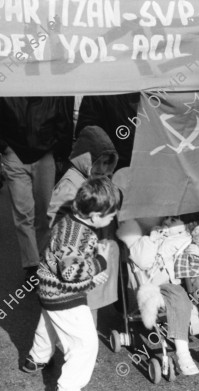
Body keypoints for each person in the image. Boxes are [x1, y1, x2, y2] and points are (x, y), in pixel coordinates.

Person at [22, 177, 120, 391]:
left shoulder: (66, 222)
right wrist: (100, 263)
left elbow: (60, 262)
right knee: (84, 343)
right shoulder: (79, 236)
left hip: (49, 289)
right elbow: (69, 271)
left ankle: (36, 359)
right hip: (64, 296)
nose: (113, 219)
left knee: (49, 324)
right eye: (111, 215)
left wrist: (89, 280)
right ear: (96, 216)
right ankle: (68, 389)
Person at [117, 213, 199, 375]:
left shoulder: (195, 238)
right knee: (179, 300)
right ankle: (183, 353)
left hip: (195, 278)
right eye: (165, 219)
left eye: (173, 220)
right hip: (166, 281)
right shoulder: (157, 237)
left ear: (185, 225)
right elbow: (143, 261)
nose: (166, 222)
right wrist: (152, 239)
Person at [0, 97, 74, 281]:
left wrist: (57, 151)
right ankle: (32, 264)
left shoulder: (49, 87)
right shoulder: (5, 88)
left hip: (44, 154)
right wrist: (6, 148)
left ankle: (42, 258)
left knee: (45, 211)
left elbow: (63, 121)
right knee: (23, 212)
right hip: (16, 154)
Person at [46, 125, 120, 324]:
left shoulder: (98, 180)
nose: (103, 169)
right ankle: (86, 350)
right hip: (76, 254)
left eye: (107, 163)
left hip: (91, 251)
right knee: (82, 307)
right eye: (99, 163)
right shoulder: (71, 184)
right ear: (85, 160)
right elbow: (55, 217)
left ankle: (44, 351)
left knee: (83, 305)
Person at [75, 93, 140, 169]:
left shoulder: (146, 91)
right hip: (113, 166)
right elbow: (87, 133)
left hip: (140, 164)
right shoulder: (101, 91)